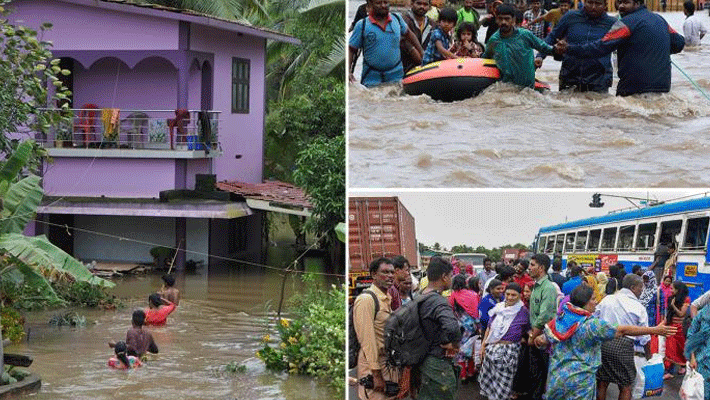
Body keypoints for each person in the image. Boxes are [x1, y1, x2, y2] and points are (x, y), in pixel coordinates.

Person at [536, 284, 677, 400]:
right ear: (584, 302)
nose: (596, 302)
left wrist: (537, 340)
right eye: (592, 299)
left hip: (557, 379)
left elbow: (542, 340)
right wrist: (654, 330)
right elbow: (623, 330)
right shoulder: (591, 325)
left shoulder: (560, 320)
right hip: (580, 383)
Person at [555, 0, 685, 96]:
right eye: (619, 2)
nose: (621, 6)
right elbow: (679, 43)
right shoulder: (659, 19)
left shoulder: (626, 23)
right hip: (663, 87)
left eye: (626, 2)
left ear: (637, 3)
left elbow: (600, 47)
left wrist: (569, 48)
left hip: (633, 88)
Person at [535, 0, 616, 92]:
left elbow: (623, 48)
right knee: (564, 105)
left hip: (599, 79)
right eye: (590, 3)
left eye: (598, 4)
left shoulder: (612, 23)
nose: (593, 7)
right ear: (584, 2)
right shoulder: (570, 17)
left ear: (605, 5)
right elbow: (552, 37)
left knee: (599, 105)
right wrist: (540, 56)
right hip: (570, 75)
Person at [595, 274, 650, 400]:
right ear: (633, 288)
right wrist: (648, 355)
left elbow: (595, 317)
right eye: (641, 287)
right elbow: (645, 337)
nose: (642, 290)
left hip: (604, 343)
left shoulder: (607, 299)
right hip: (624, 347)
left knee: (602, 382)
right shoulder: (639, 307)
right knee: (626, 385)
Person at [482, 3, 560, 89]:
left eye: (507, 19)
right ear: (496, 20)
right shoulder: (493, 41)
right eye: (500, 19)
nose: (503, 22)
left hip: (528, 89)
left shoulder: (525, 35)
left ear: (513, 20)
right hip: (507, 89)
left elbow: (545, 48)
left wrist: (557, 49)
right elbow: (485, 59)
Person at [348, 0, 424, 87]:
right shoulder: (362, 25)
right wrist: (348, 71)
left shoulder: (397, 19)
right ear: (370, 4)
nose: (383, 5)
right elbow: (351, 50)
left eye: (385, 2)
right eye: (378, 3)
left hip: (396, 75)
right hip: (371, 77)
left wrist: (421, 52)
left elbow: (410, 35)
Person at [416, 257, 462, 400]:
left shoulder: (420, 295)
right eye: (451, 275)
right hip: (437, 363)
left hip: (423, 359)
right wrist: (454, 345)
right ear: (444, 277)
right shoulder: (438, 301)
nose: (451, 279)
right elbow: (453, 327)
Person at [478, 283, 530, 400]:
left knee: (503, 386)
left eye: (514, 295)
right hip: (491, 349)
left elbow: (528, 330)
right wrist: (483, 346)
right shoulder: (498, 308)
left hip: (509, 353)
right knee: (491, 382)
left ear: (520, 296)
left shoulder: (523, 311)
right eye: (508, 294)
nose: (510, 297)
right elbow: (489, 328)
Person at [353, 257, 395, 400]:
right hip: (372, 364)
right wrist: (376, 374)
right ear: (373, 275)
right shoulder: (367, 300)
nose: (390, 276)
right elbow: (367, 339)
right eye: (385, 272)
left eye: (392, 272)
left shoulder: (386, 298)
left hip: (386, 361)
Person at [526, 253, 558, 400]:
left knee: (543, 372)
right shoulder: (537, 286)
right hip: (535, 334)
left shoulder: (548, 288)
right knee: (535, 372)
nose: (529, 268)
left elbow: (544, 316)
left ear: (542, 268)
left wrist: (533, 336)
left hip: (542, 338)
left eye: (532, 265)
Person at [449, 274, 480, 381]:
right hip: (472, 327)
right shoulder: (473, 294)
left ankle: (463, 375)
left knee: (461, 350)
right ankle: (471, 372)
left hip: (459, 327)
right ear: (465, 282)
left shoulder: (453, 295)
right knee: (471, 349)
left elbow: (451, 310)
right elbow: (477, 311)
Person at [663, 281, 690, 379]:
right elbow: (669, 313)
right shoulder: (671, 298)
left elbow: (681, 314)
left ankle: (683, 365)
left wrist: (673, 305)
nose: (670, 290)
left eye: (672, 288)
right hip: (671, 326)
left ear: (678, 290)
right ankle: (668, 370)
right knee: (670, 348)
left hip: (679, 328)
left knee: (679, 348)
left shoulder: (686, 299)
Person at [684, 299, 710, 399]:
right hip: (702, 362)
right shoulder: (702, 314)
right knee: (702, 393)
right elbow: (691, 336)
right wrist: (692, 357)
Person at [402, 0, 436, 73]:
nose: (422, 7)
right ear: (412, 4)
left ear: (429, 7)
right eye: (419, 3)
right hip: (406, 68)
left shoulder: (432, 24)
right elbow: (405, 43)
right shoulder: (404, 20)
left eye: (425, 4)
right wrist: (421, 62)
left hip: (427, 69)